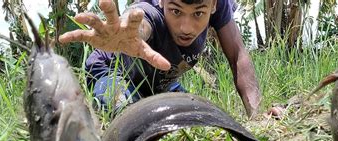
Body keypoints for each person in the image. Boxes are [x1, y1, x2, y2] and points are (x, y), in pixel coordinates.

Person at [59, 0, 261, 118]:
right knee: (135, 118)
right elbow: (139, 20)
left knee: (199, 118)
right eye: (176, 10)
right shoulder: (149, 9)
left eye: (198, 13)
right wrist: (127, 31)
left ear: (214, 5)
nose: (186, 28)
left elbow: (237, 54)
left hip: (162, 85)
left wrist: (257, 115)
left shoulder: (220, 5)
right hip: (112, 70)